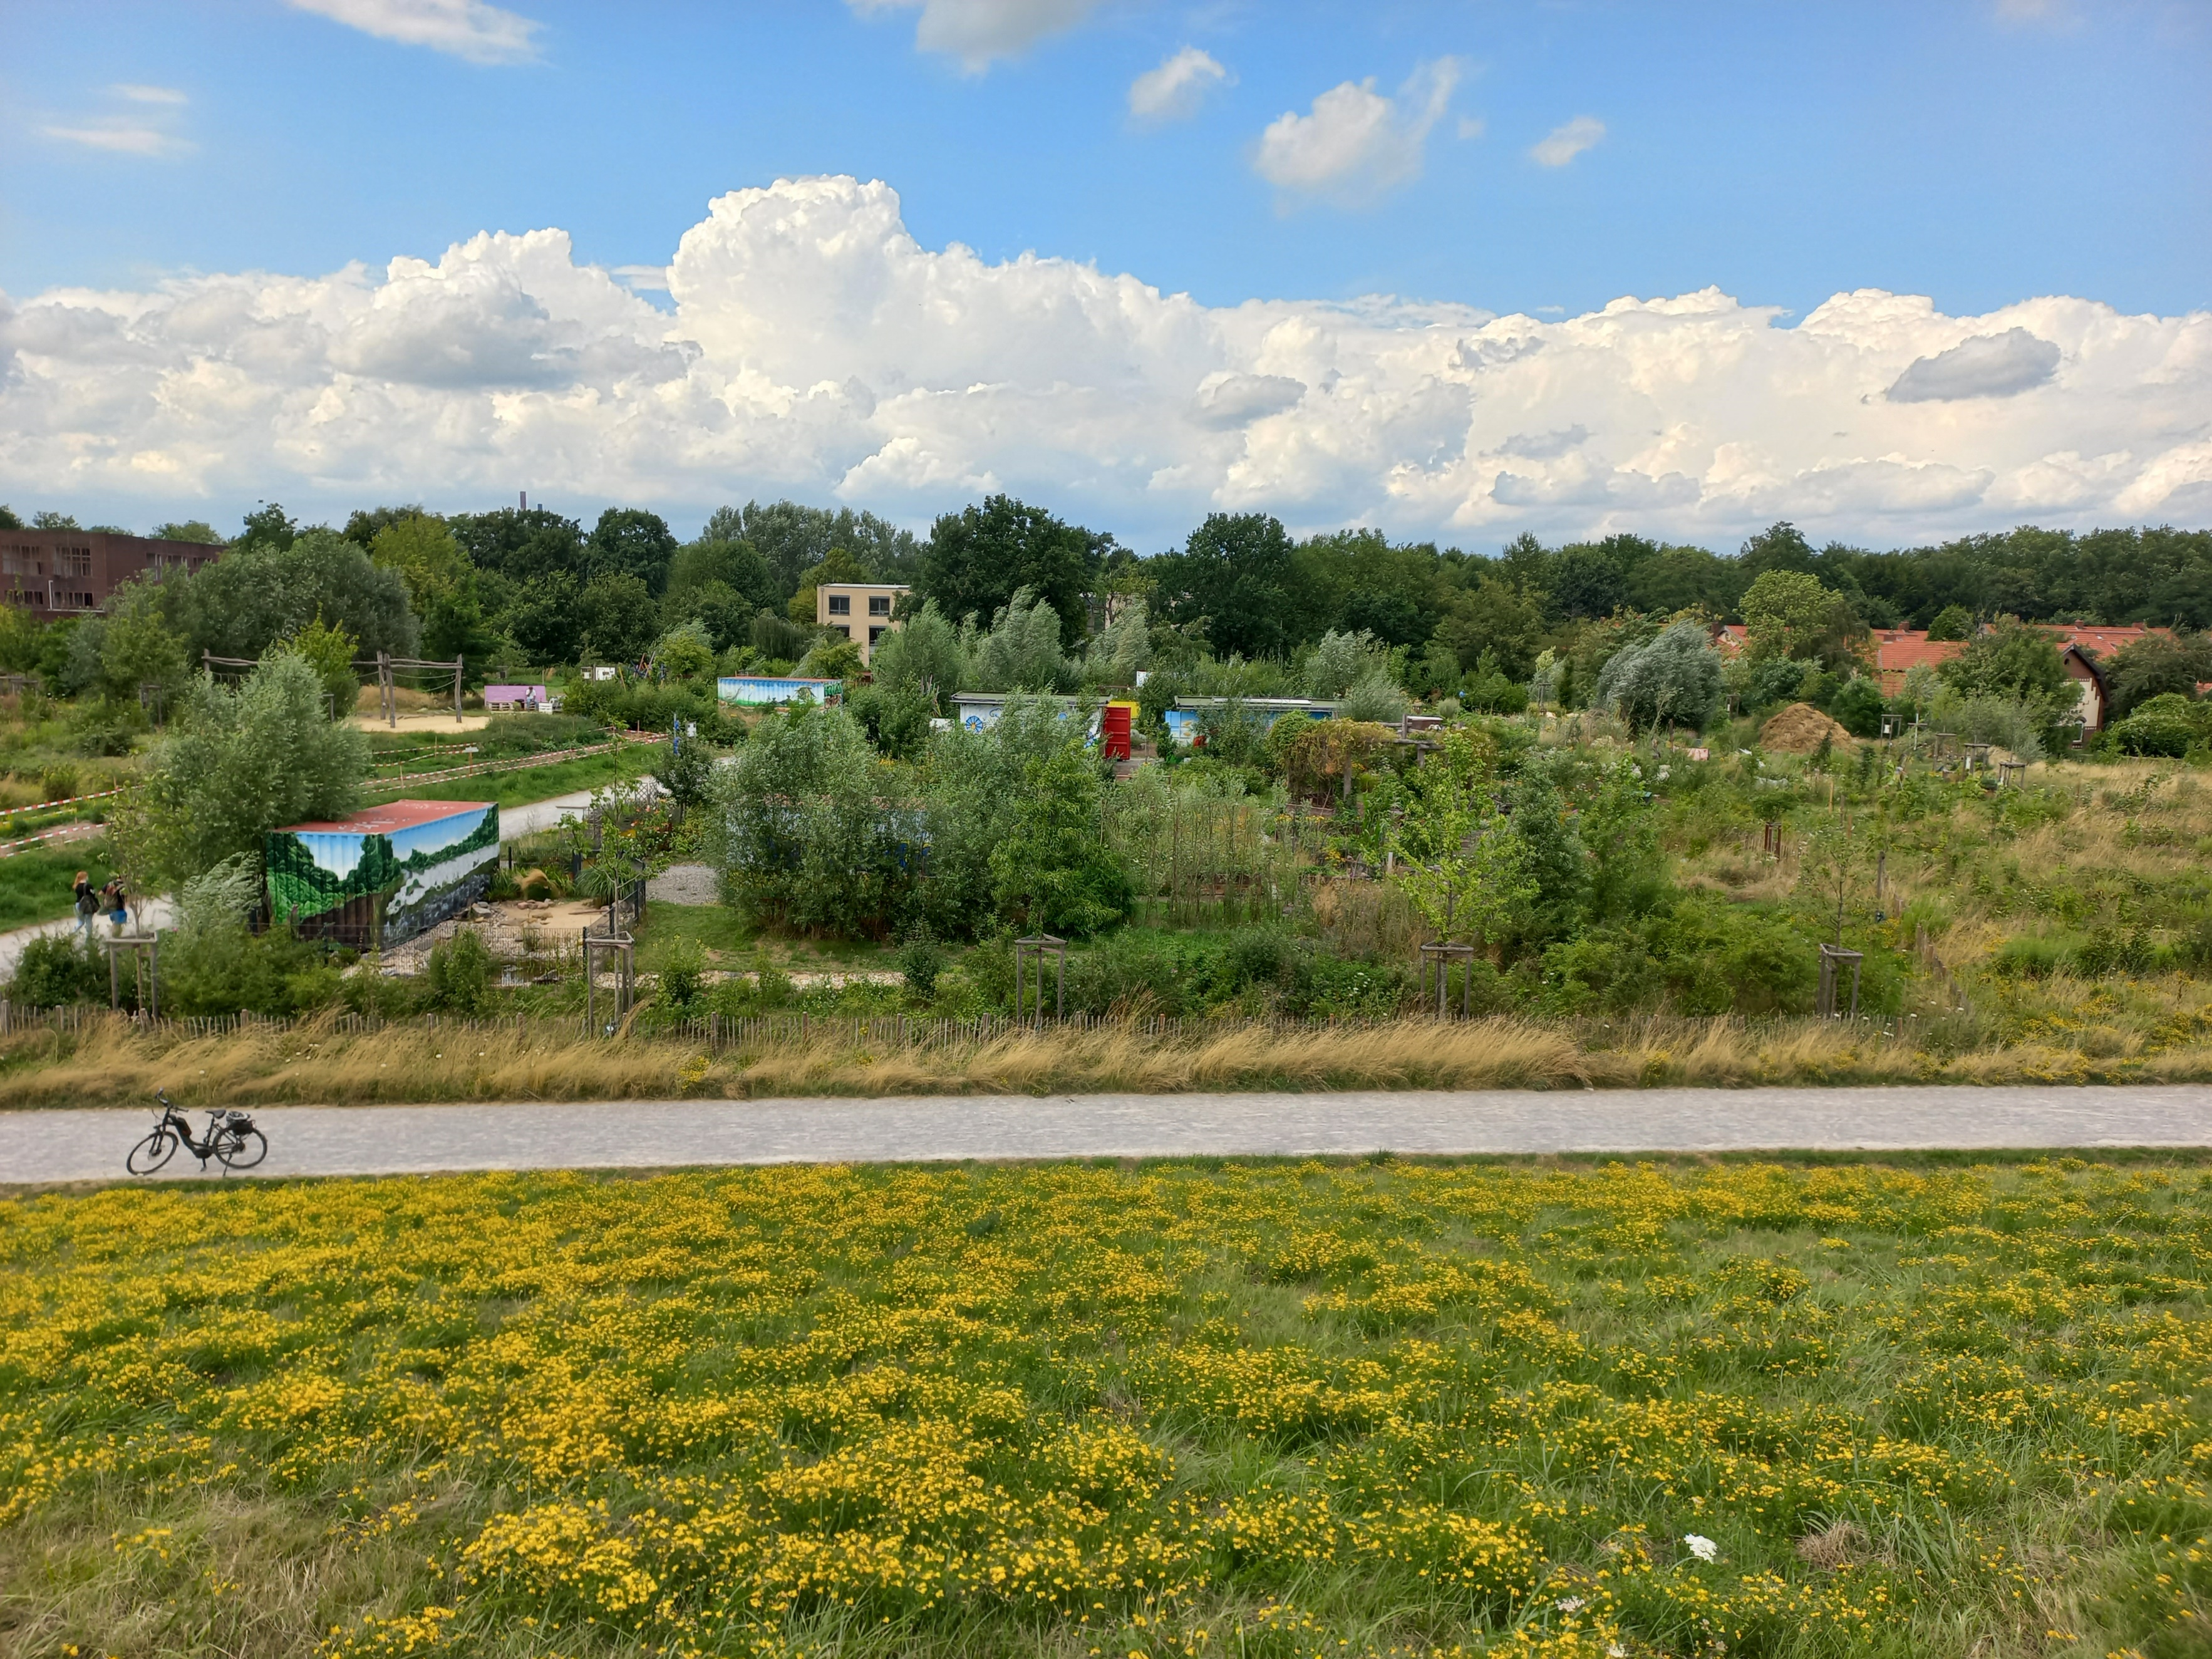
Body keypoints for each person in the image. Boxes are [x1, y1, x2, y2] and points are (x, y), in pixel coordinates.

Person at [73, 871, 96, 942]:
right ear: (85, 877)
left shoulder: (76, 886)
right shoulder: (88, 886)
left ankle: (71, 934)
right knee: (89, 921)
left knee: (81, 922)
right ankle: (89, 938)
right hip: (86, 904)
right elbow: (93, 894)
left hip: (78, 904)